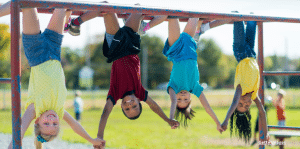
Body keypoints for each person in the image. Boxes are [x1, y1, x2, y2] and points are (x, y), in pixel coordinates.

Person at [0, 2, 105, 148]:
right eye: (55, 123)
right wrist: (92, 140)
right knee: (62, 5)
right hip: (54, 50)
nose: (51, 119)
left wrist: (13, 146)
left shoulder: (34, 110)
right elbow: (75, 125)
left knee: (26, 3)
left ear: (37, 121)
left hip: (36, 51)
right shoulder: (59, 110)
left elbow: (21, 129)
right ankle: (70, 18)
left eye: (46, 123)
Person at [93, 12, 179, 149]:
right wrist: (167, 120)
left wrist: (99, 137)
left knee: (107, 7)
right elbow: (154, 106)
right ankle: (142, 26)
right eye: (134, 106)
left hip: (116, 47)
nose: (129, 104)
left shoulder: (114, 94)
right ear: (139, 101)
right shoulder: (139, 92)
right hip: (131, 44)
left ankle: (76, 23)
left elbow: (105, 114)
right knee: (138, 9)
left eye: (126, 108)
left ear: (121, 106)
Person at [162, 17, 225, 133]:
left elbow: (173, 102)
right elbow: (207, 107)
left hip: (175, 48)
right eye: (185, 99)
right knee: (195, 15)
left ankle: (201, 28)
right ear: (190, 98)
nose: (182, 96)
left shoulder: (173, 87)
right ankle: (201, 28)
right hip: (189, 45)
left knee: (173, 15)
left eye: (179, 99)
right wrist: (217, 123)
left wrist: (171, 119)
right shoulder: (195, 88)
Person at [221, 21, 269, 143]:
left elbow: (234, 102)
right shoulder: (254, 95)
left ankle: (237, 16)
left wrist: (226, 120)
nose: (245, 102)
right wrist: (266, 133)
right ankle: (250, 19)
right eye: (247, 106)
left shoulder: (240, 90)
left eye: (241, 104)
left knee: (239, 24)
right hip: (251, 54)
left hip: (240, 52)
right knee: (252, 24)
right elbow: (262, 113)